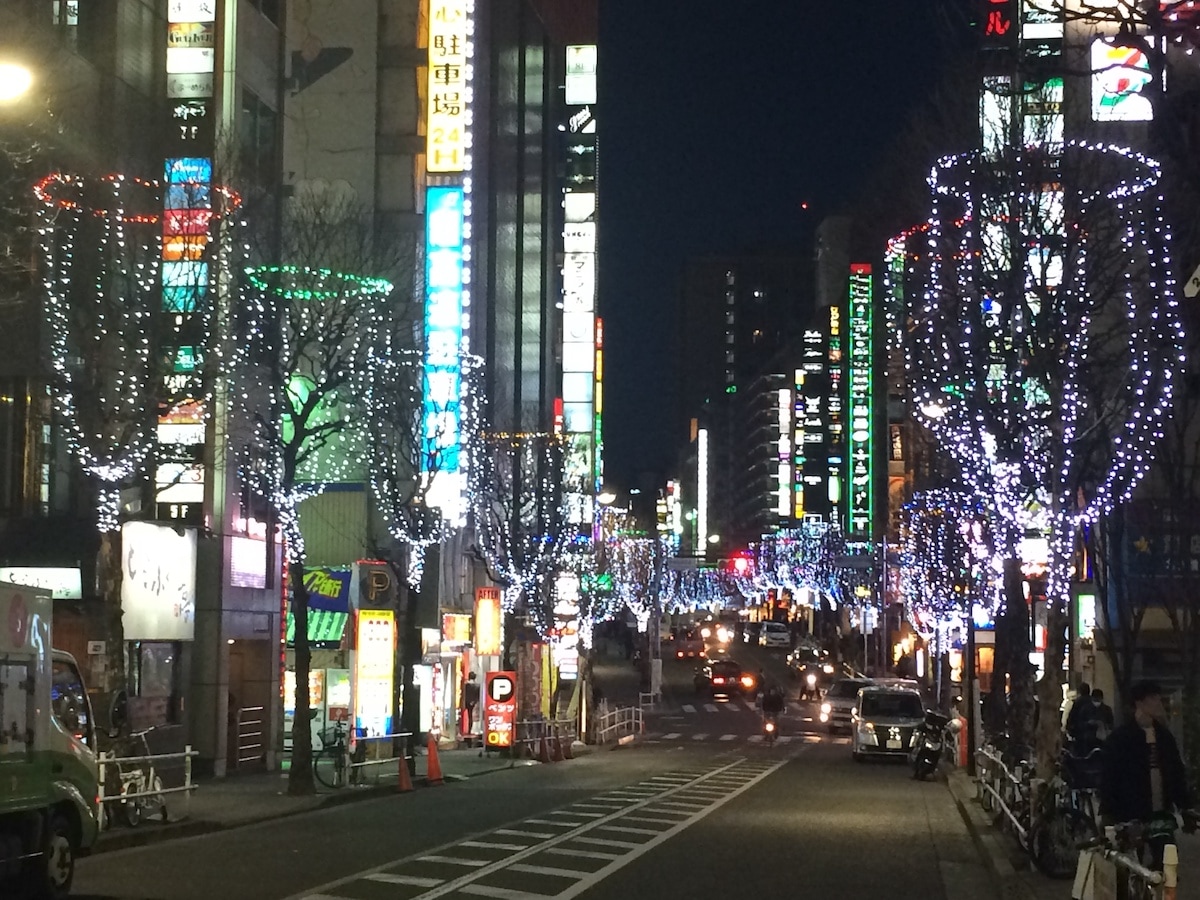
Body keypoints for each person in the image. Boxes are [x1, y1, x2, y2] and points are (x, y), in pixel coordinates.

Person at [1100, 680, 1194, 869]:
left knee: (1167, 865)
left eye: (1158, 697)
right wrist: (1109, 812)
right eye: (1152, 698)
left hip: (1160, 814)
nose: (1158, 702)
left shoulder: (1164, 737)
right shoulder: (1120, 738)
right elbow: (1110, 776)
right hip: (1130, 813)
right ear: (1139, 702)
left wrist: (1185, 807)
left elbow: (1176, 773)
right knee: (1130, 868)